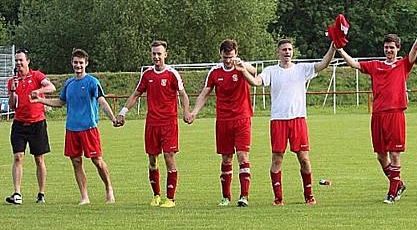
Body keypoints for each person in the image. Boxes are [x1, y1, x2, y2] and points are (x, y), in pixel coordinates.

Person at [336, 18, 417, 204]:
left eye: (392, 48)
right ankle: (398, 183)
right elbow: (354, 64)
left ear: (398, 49)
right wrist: (339, 49)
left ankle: (392, 191)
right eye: (386, 47)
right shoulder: (375, 66)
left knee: (395, 154)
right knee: (381, 156)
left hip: (395, 113)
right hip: (378, 114)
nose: (389, 50)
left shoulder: (403, 65)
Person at [238, 40, 335, 205]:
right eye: (284, 49)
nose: (287, 52)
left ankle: (309, 195)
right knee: (277, 158)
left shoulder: (301, 69)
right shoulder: (271, 71)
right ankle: (278, 198)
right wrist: (242, 71)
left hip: (298, 120)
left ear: (293, 52)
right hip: (278, 121)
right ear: (278, 52)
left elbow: (324, 64)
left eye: (290, 49)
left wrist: (333, 46)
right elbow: (256, 82)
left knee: (304, 158)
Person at [31, 48, 117, 205]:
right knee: (76, 161)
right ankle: (84, 196)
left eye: (81, 63)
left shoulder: (92, 82)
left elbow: (102, 101)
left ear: (86, 64)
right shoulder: (69, 83)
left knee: (97, 160)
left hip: (89, 128)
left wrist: (113, 118)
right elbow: (60, 103)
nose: (78, 65)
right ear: (72, 63)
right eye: (76, 62)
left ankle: (109, 188)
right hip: (72, 129)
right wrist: (40, 100)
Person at [116, 40, 191, 207]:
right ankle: (156, 195)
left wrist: (186, 111)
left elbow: (183, 94)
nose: (156, 57)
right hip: (152, 123)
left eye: (159, 53)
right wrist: (122, 113)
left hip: (169, 123)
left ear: (166, 54)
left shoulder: (172, 74)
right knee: (152, 159)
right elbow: (136, 95)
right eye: (154, 53)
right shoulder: (147, 75)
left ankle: (170, 198)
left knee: (169, 157)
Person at [186, 39, 257, 206]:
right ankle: (226, 196)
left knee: (242, 155)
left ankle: (244, 196)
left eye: (231, 57)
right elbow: (205, 93)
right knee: (226, 158)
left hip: (242, 118)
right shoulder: (215, 73)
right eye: (225, 57)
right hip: (223, 121)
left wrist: (243, 65)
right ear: (221, 55)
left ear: (236, 54)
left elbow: (255, 73)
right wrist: (194, 112)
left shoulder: (241, 68)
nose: (228, 60)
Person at [4, 48, 56, 205]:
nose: (19, 63)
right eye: (17, 60)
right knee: (18, 156)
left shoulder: (37, 76)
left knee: (39, 159)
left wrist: (37, 91)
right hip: (19, 123)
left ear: (28, 61)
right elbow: (13, 106)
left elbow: (51, 87)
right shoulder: (12, 81)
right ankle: (17, 193)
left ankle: (41, 193)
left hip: (37, 123)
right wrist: (13, 92)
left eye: (21, 60)